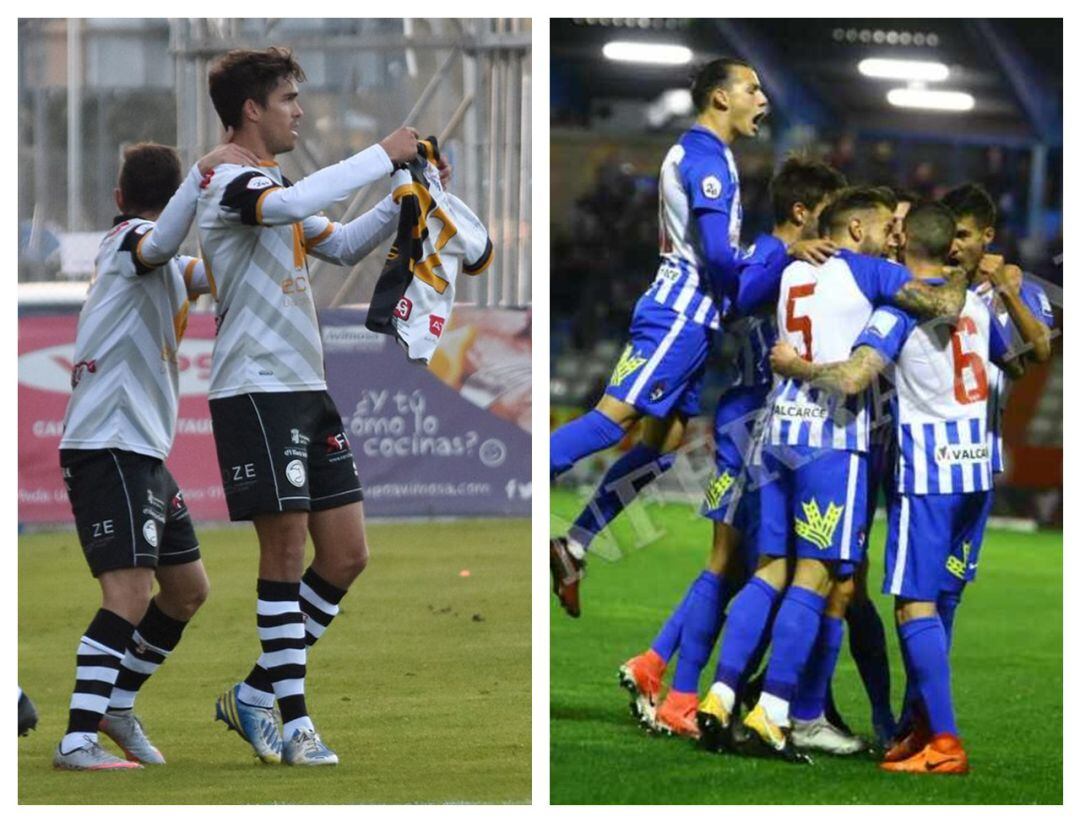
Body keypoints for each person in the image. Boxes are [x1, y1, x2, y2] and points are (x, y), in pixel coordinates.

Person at [195, 46, 422, 767]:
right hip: (256, 388)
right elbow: (292, 207)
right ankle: (295, 725)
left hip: (305, 387)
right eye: (290, 98)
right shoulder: (230, 182)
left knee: (348, 555)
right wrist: (382, 156)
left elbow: (347, 242)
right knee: (286, 552)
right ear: (252, 109)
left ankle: (258, 691)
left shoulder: (273, 185)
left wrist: (406, 197)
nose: (299, 110)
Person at [696, 187, 969, 761]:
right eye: (878, 228)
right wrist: (960, 269)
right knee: (815, 579)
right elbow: (943, 305)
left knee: (768, 570)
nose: (888, 237)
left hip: (776, 434)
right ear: (853, 231)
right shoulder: (867, 271)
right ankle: (774, 713)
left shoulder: (795, 271)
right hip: (831, 439)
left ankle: (719, 696)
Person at [769, 201, 1014, 774]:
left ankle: (945, 742)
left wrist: (796, 366)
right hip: (977, 470)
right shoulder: (974, 304)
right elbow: (1023, 358)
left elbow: (854, 376)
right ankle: (919, 726)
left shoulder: (896, 308)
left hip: (928, 475)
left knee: (912, 605)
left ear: (905, 249)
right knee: (940, 600)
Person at [618, 156, 844, 739]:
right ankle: (684, 693)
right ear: (802, 213)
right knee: (737, 564)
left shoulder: (780, 257)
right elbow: (740, 301)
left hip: (749, 415)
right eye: (828, 214)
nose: (835, 226)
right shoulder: (775, 255)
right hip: (756, 418)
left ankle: (657, 664)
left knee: (738, 564)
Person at [53, 139, 258, 771]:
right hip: (107, 442)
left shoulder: (165, 258)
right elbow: (159, 247)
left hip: (140, 449)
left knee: (187, 590)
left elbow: (215, 272)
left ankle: (116, 705)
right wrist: (202, 179)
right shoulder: (129, 243)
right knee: (131, 594)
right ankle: (76, 739)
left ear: (119, 193)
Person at [549, 57, 769, 618]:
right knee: (611, 419)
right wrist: (762, 269)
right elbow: (718, 254)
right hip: (680, 315)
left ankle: (573, 544)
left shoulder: (707, 154)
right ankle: (515, 490)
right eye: (752, 89)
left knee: (663, 445)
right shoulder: (704, 158)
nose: (763, 99)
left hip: (689, 316)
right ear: (721, 98)